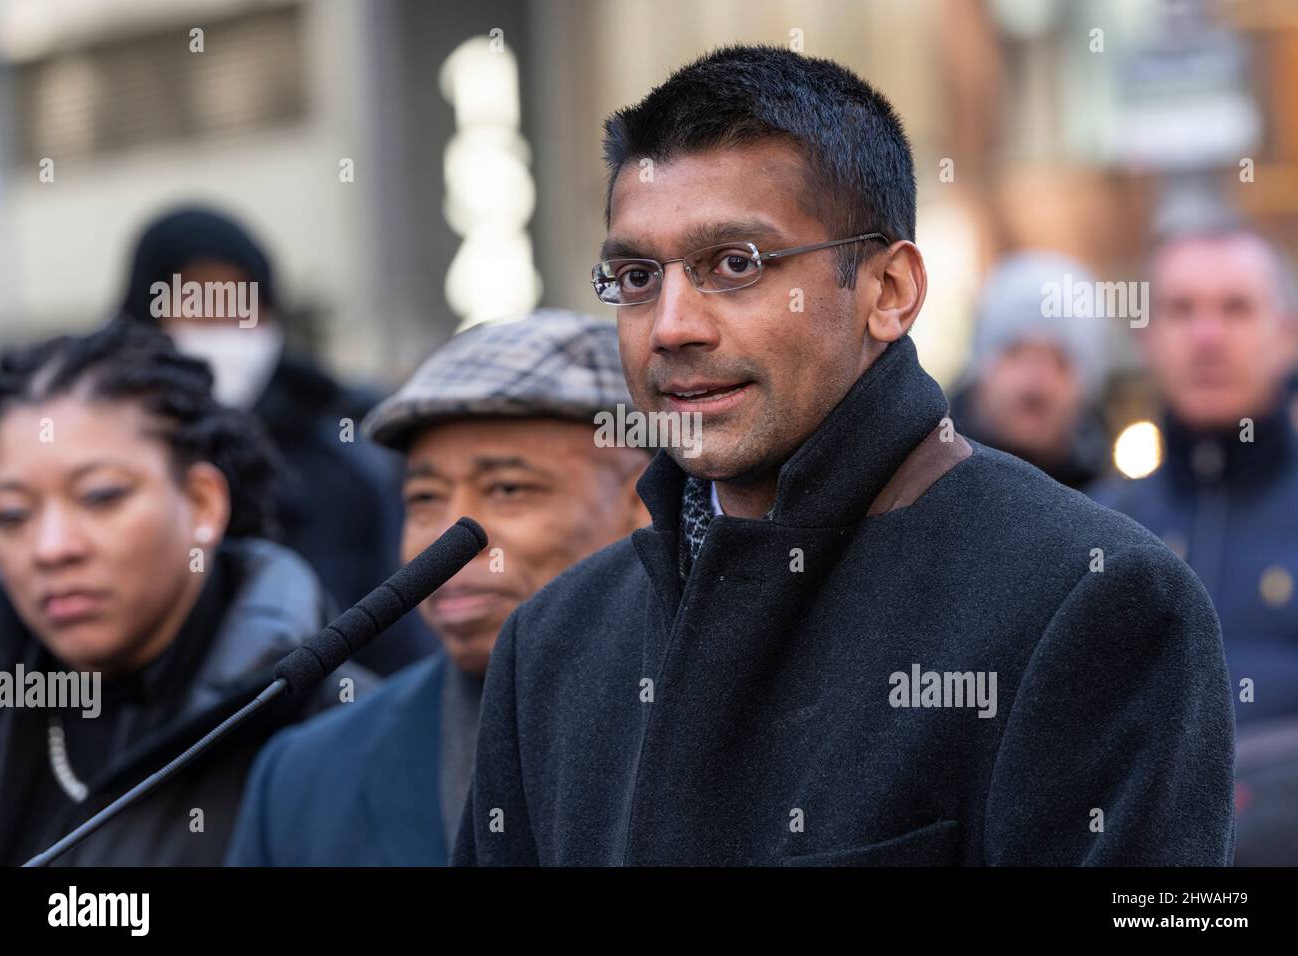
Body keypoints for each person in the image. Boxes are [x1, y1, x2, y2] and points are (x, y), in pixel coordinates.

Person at [454, 45, 1235, 867]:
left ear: (889, 292)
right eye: (638, 274)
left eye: (735, 264)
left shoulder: (1087, 601)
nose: (671, 324)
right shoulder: (554, 645)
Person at [224, 310, 650, 865]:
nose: (452, 540)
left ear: (643, 505)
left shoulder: (747, 741)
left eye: (508, 488)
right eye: (424, 498)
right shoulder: (307, 779)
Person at [0, 319, 371, 866]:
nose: (52, 548)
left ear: (202, 502)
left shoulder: (346, 736)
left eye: (100, 497)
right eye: (12, 514)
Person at [118, 205, 429, 675]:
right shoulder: (102, 452)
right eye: (198, 300)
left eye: (243, 302)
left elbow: (400, 623)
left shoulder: (343, 450)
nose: (224, 324)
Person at [1090, 223, 1298, 727]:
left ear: (1287, 335)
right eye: (1181, 311)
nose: (1208, 338)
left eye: (1236, 309)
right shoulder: (1098, 529)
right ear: (1146, 339)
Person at [948, 252, 1109, 489]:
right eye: (1016, 353)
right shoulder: (918, 487)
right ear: (980, 368)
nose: (1035, 384)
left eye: (1059, 361)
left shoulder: (1118, 510)